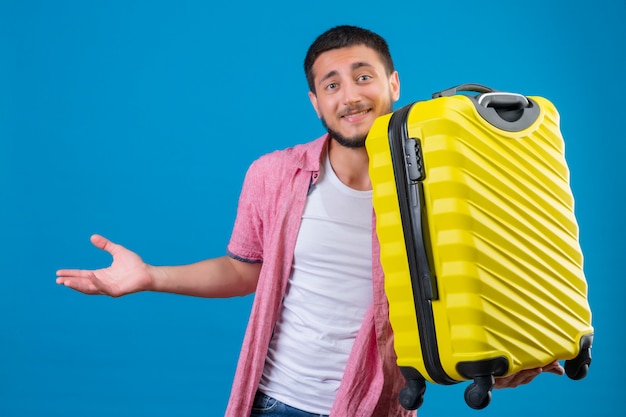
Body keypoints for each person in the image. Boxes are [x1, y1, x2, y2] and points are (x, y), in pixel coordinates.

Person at [56, 25, 565, 417]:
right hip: (272, 398)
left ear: (393, 83)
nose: (351, 96)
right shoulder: (274, 175)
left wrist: (515, 355)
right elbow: (245, 270)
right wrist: (149, 277)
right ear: (315, 102)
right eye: (332, 84)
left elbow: (498, 270)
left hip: (375, 405)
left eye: (364, 76)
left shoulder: (447, 182)